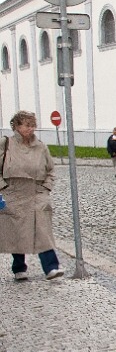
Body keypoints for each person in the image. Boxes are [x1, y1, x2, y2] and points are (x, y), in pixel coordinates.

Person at [0, 111, 64, 280]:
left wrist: (46, 187)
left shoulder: (41, 147)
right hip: (15, 192)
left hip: (37, 193)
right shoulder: (6, 144)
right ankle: (19, 267)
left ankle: (51, 267)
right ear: (17, 126)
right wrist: (4, 187)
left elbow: (51, 169)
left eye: (33, 125)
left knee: (42, 229)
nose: (31, 129)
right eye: (27, 125)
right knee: (18, 231)